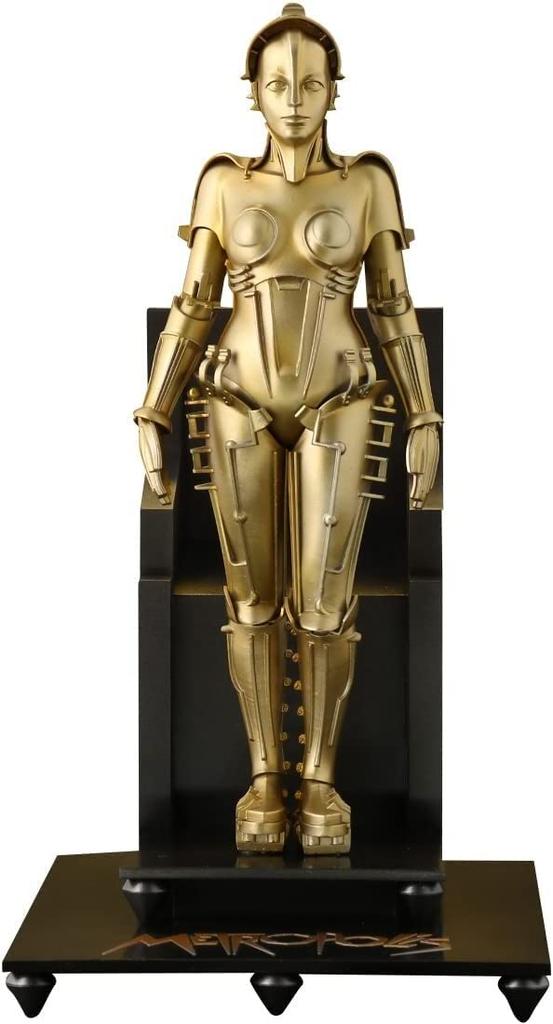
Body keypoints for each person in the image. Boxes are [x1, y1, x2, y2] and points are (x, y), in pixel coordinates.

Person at [133, 3, 441, 855]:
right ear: (254, 93)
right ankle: (265, 777)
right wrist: (153, 406)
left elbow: (393, 307)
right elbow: (195, 304)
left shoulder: (366, 183)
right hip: (234, 397)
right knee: (251, 600)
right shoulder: (223, 184)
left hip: (341, 397)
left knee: (324, 601)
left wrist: (424, 413)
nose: (294, 100)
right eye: (278, 84)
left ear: (334, 89)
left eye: (310, 83)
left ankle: (322, 781)